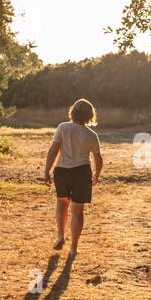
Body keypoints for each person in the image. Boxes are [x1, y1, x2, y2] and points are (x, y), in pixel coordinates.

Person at [43, 98, 102, 254]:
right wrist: (96, 174)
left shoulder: (63, 127)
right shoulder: (91, 135)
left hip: (62, 170)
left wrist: (46, 171)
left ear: (73, 112)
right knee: (77, 210)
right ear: (89, 115)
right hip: (82, 172)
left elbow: (53, 150)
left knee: (62, 204)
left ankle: (60, 236)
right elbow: (98, 158)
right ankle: (73, 248)